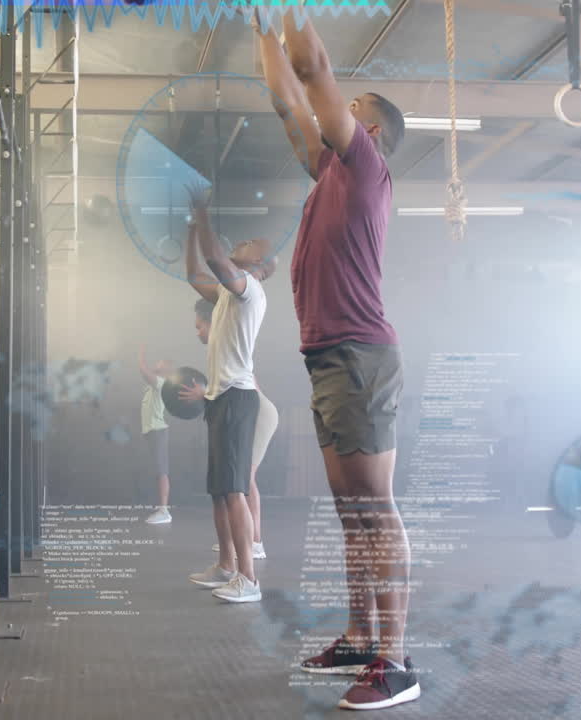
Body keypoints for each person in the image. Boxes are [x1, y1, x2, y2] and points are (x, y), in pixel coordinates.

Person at [253, 7, 419, 710]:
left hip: (359, 356)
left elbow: (314, 70)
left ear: (370, 132)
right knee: (351, 512)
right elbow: (287, 95)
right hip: (328, 357)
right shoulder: (327, 172)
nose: (339, 110)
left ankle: (396, 660)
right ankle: (358, 636)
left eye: (353, 110)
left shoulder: (366, 167)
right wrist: (262, 23)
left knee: (374, 510)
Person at [177, 183, 275, 604]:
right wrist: (189, 229)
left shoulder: (250, 290)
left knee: (235, 490)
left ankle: (249, 581)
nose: (243, 241)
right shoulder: (224, 296)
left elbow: (216, 259)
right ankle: (226, 567)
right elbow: (194, 274)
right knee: (220, 490)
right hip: (219, 400)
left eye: (251, 243)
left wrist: (202, 212)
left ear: (259, 265)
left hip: (238, 399)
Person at [194, 298, 276, 560]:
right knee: (239, 481)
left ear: (212, 322)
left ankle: (255, 542)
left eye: (199, 327)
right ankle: (241, 541)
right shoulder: (219, 350)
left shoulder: (228, 344)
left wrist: (203, 393)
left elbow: (245, 386)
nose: (198, 333)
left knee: (244, 479)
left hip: (260, 414)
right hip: (251, 411)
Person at [137, 347, 173, 524]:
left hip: (158, 431)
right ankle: (162, 507)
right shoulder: (155, 383)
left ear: (166, 369)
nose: (157, 363)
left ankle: (164, 511)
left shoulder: (162, 382)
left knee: (162, 471)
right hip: (152, 432)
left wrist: (141, 353)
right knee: (158, 471)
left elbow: (144, 371)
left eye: (161, 362)